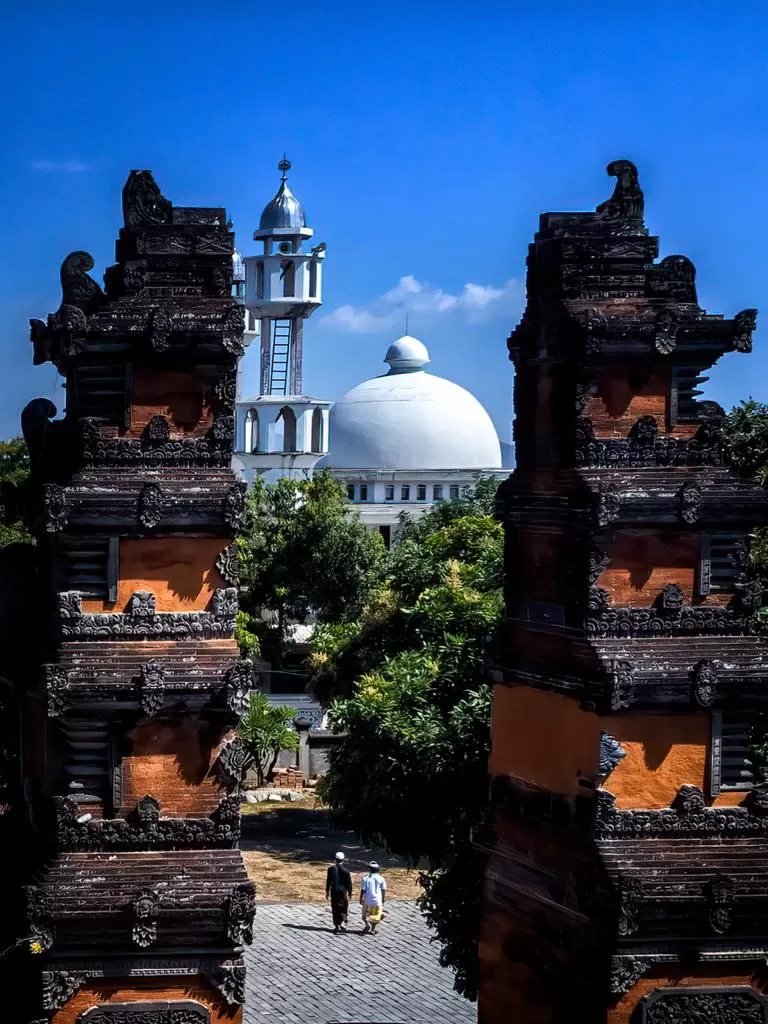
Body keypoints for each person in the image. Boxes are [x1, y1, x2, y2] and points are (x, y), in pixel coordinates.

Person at [325, 851, 352, 934]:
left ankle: (337, 925)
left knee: (335, 907)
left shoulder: (331, 869)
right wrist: (350, 892)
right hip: (343, 892)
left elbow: (328, 881)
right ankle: (343, 918)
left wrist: (327, 891)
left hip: (334, 891)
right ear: (343, 860)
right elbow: (349, 883)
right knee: (344, 906)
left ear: (335, 860)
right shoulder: (346, 871)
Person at [359, 861, 387, 934]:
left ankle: (367, 924)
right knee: (375, 915)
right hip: (377, 899)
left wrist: (360, 898)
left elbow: (363, 890)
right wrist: (383, 899)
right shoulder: (381, 878)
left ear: (369, 869)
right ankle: (373, 929)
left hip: (368, 899)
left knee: (364, 914)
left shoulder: (365, 878)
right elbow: (383, 890)